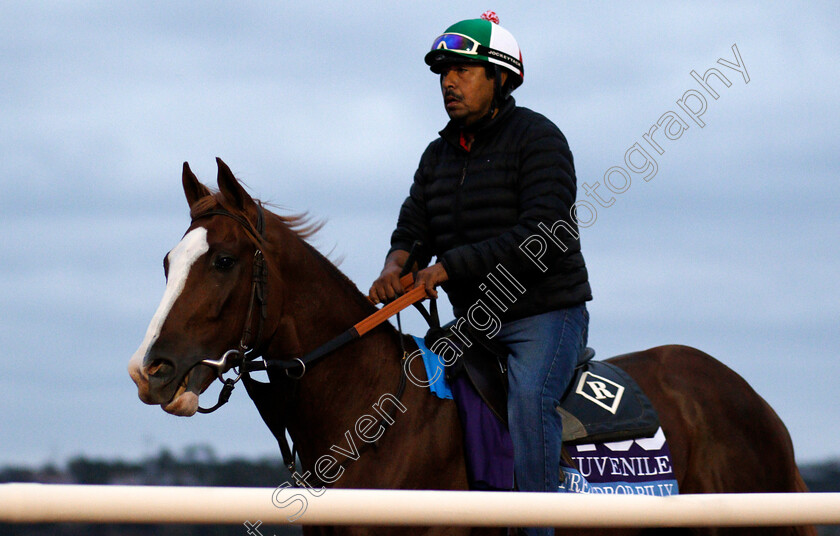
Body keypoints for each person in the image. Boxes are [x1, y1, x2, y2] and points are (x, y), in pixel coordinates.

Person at [368, 12, 591, 536]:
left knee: (530, 400)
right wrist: (394, 265)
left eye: (463, 69)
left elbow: (546, 231)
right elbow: (414, 228)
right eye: (443, 71)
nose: (449, 81)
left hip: (546, 316)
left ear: (500, 78)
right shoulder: (436, 155)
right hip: (474, 327)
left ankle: (537, 531)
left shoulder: (539, 138)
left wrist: (446, 268)